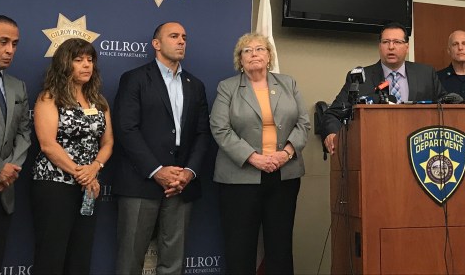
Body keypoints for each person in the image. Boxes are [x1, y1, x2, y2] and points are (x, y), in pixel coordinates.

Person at [113, 22, 210, 275]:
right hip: (140, 182)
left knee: (173, 263)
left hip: (181, 184)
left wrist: (188, 172)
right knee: (129, 261)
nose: (181, 41)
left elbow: (202, 133)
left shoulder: (195, 85)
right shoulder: (134, 79)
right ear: (156, 44)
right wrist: (156, 170)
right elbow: (126, 129)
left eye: (184, 37)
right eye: (174, 36)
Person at [210, 32, 310, 275]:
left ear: (269, 56)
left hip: (283, 176)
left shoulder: (289, 83)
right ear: (239, 60)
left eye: (260, 49)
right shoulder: (228, 87)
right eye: (247, 50)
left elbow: (303, 123)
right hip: (239, 178)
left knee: (280, 246)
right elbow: (219, 127)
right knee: (240, 247)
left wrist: (285, 154)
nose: (254, 54)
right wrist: (253, 157)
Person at [31, 38, 114, 275]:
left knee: (80, 256)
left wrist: (94, 168)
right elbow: (48, 145)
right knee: (51, 256)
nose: (86, 65)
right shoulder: (50, 97)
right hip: (54, 184)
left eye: (90, 60)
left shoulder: (99, 101)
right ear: (65, 64)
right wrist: (82, 174)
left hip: (89, 187)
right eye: (78, 60)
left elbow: (108, 142)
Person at [321, 21, 445, 154]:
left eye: (397, 42)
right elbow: (333, 114)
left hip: (420, 149)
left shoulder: (425, 74)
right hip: (376, 150)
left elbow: (446, 107)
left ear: (407, 47)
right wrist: (332, 134)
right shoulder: (361, 77)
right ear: (379, 46)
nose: (391, 47)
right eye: (386, 42)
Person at [0, 15, 31, 275]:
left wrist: (8, 172)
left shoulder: (18, 86)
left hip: (3, 194)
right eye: (3, 42)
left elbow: (24, 133)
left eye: (14, 44)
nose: (10, 50)